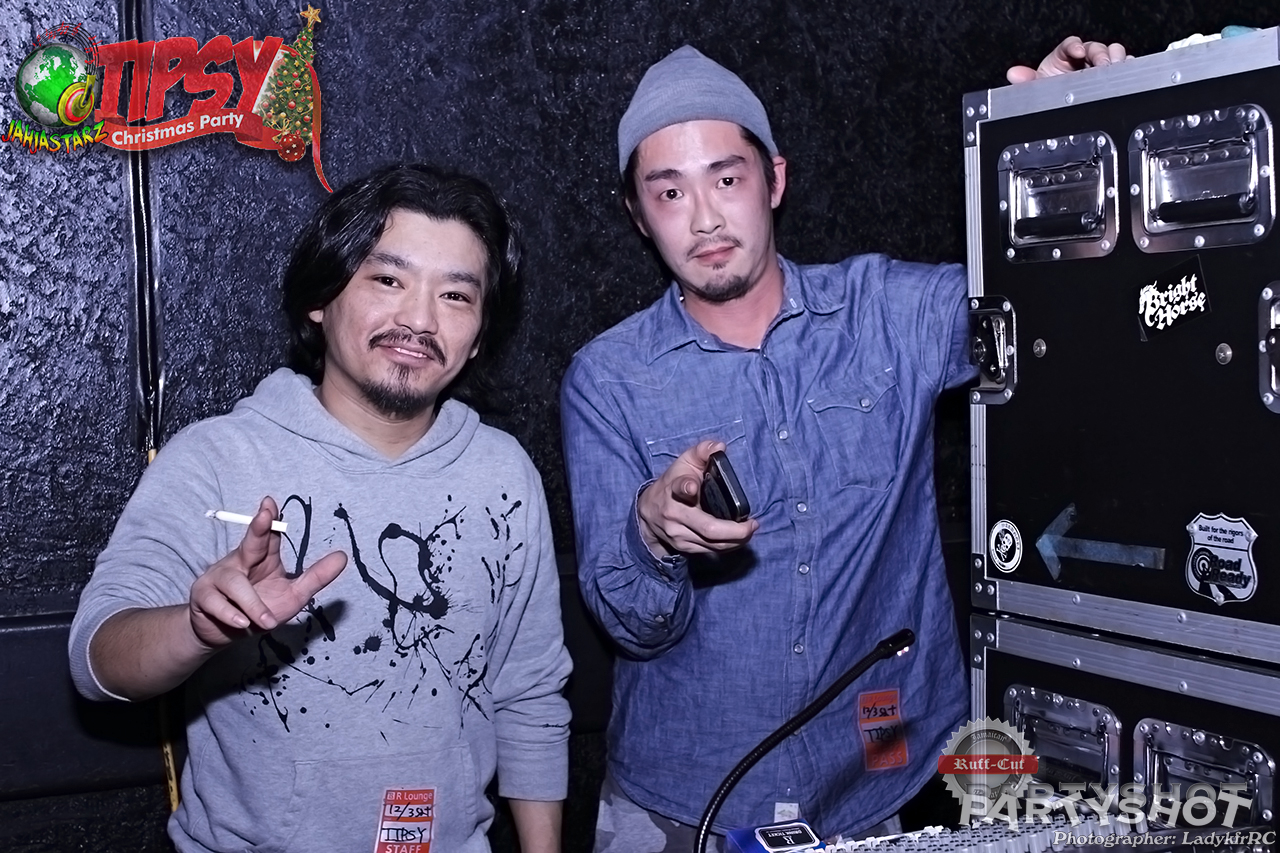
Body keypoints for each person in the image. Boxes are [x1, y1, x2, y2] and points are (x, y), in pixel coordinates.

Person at [561, 38, 1126, 849]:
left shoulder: (885, 311)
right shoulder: (608, 377)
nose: (705, 217)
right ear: (637, 214)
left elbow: (1055, 303)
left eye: (727, 179)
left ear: (774, 179)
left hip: (871, 783)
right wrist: (651, 532)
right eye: (670, 192)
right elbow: (632, 626)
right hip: (683, 804)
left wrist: (1067, 135)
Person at [69, 165, 571, 853]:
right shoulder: (218, 458)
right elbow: (96, 660)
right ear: (320, 298)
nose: (419, 319)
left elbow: (530, 693)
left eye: (456, 294)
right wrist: (197, 627)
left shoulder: (504, 472)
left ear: (480, 333)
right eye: (387, 279)